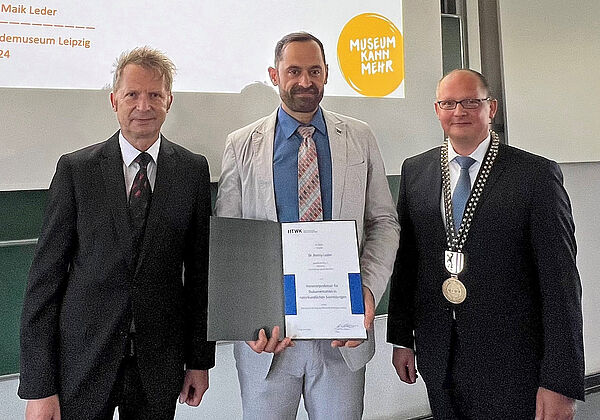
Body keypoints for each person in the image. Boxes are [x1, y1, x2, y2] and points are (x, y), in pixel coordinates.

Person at [18, 46, 215, 419]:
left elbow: (200, 277)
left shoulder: (191, 171)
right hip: (82, 365)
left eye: (155, 94)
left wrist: (199, 361)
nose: (144, 105)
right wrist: (39, 385)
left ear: (169, 101)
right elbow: (44, 283)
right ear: (114, 100)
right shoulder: (77, 171)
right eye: (132, 94)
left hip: (158, 367)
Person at [214, 32, 399, 419]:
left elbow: (383, 222)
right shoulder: (241, 144)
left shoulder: (360, 137)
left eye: (314, 71)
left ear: (327, 74)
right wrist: (246, 317)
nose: (305, 81)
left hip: (341, 337)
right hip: (269, 338)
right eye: (294, 70)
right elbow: (230, 241)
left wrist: (366, 291)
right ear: (274, 74)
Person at [387, 69, 584, 419]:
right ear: (437, 110)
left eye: (470, 102)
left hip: (514, 362)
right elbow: (408, 263)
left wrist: (560, 381)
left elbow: (561, 285)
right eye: (448, 103)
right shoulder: (416, 171)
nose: (458, 111)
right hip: (440, 355)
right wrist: (402, 338)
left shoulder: (535, 176)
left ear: (490, 108)